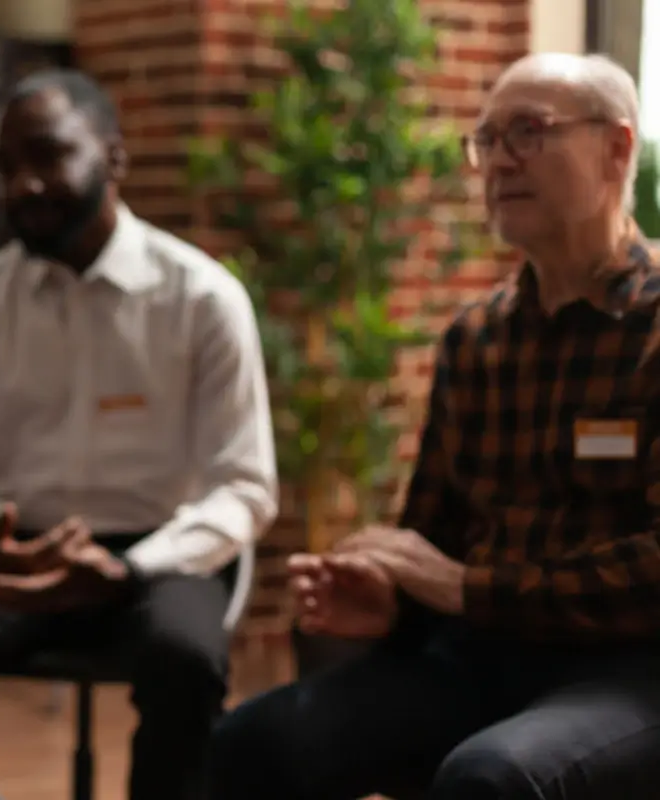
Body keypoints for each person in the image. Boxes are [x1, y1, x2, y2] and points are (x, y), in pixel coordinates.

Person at [211, 53, 660, 800]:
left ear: (617, 149)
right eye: (486, 140)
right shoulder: (476, 338)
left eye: (529, 131)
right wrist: (390, 596)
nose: (498, 162)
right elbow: (435, 534)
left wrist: (465, 589)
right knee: (250, 743)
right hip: (478, 655)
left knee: (491, 778)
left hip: (630, 670)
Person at [0, 69, 278, 800]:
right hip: (18, 551)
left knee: (186, 659)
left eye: (48, 156)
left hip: (160, 554)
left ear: (114, 158)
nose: (24, 186)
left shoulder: (202, 298)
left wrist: (131, 568)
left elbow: (243, 486)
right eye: (8, 165)